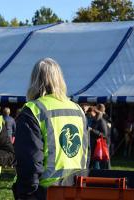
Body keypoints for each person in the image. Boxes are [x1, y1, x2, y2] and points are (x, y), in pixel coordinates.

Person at [13, 58, 89, 200]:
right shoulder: (78, 110)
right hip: (77, 188)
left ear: (34, 80)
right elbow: (85, 152)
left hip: (46, 191)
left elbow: (29, 159)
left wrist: (26, 193)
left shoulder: (33, 109)